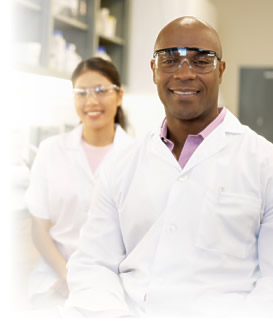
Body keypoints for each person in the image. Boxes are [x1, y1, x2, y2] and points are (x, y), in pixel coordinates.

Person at [64, 17, 273, 317]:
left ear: (221, 71)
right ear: (153, 70)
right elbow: (94, 263)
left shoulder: (264, 163)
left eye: (201, 61)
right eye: (169, 60)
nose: (184, 73)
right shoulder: (121, 164)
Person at [25, 57, 132, 311]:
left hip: (115, 279)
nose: (91, 101)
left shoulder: (137, 156)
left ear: (119, 96)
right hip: (55, 275)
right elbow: (39, 229)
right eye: (81, 93)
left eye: (101, 91)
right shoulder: (51, 151)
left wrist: (91, 279)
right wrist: (67, 274)